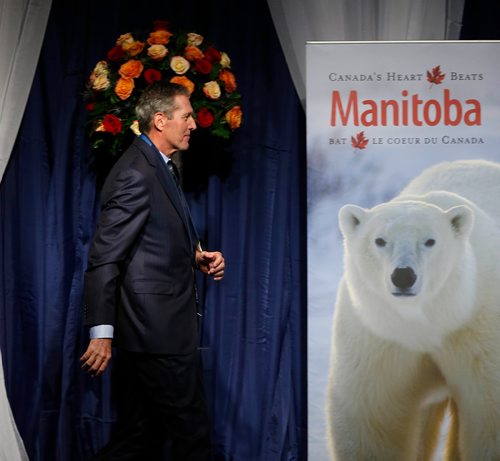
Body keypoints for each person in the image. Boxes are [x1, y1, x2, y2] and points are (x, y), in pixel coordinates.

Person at [80, 82, 224, 461]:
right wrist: (101, 332)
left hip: (157, 331)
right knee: (193, 437)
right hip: (157, 333)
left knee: (140, 436)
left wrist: (197, 257)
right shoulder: (136, 173)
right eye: (187, 116)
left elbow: (152, 241)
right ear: (160, 121)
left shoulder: (159, 167)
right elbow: (105, 257)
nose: (193, 123)